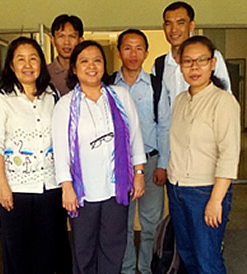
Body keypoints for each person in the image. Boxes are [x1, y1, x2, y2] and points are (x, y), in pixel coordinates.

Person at [52, 40, 146, 274]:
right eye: (84, 61)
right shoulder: (65, 105)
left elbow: (135, 136)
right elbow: (60, 149)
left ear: (104, 65)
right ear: (74, 68)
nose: (91, 66)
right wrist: (66, 187)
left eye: (97, 60)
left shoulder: (120, 96)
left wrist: (139, 173)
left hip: (116, 187)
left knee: (114, 245)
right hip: (83, 192)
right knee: (83, 248)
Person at [0, 37, 67, 274]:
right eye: (20, 59)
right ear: (11, 65)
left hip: (50, 188)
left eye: (33, 58)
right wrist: (3, 187)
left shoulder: (52, 95)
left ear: (41, 63)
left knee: (48, 253)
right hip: (16, 190)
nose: (27, 64)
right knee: (17, 254)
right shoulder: (2, 98)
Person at [167, 36, 239, 274]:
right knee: (188, 255)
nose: (194, 67)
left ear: (213, 63)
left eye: (201, 60)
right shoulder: (179, 101)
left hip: (206, 191)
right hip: (178, 189)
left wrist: (216, 201)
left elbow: (229, 154)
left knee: (207, 260)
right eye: (188, 61)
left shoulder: (223, 102)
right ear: (180, 64)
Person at [113, 29, 171, 274]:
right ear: (119, 52)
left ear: (146, 53)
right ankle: (126, 269)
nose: (133, 53)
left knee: (150, 223)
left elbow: (165, 126)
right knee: (121, 224)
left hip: (150, 162)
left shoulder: (156, 85)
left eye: (138, 48)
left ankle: (146, 268)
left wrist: (163, 164)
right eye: (127, 47)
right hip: (118, 166)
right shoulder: (107, 84)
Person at [155, 1, 232, 109]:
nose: (173, 29)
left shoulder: (210, 57)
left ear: (191, 25)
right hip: (172, 125)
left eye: (180, 23)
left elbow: (226, 96)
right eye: (168, 24)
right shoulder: (159, 65)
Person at [48, 15, 84, 96]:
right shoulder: (45, 73)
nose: (66, 42)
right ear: (53, 40)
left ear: (81, 40)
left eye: (72, 36)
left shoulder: (88, 71)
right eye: (61, 36)